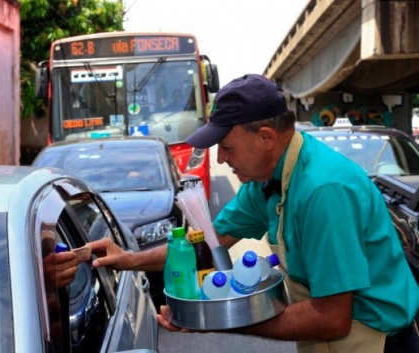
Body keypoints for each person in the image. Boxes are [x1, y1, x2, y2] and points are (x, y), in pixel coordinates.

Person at [87, 74, 419, 352]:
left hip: (375, 341)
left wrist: (217, 321)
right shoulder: (263, 183)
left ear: (266, 138)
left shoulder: (322, 190)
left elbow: (332, 317)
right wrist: (128, 258)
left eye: (227, 147)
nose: (219, 160)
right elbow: (204, 241)